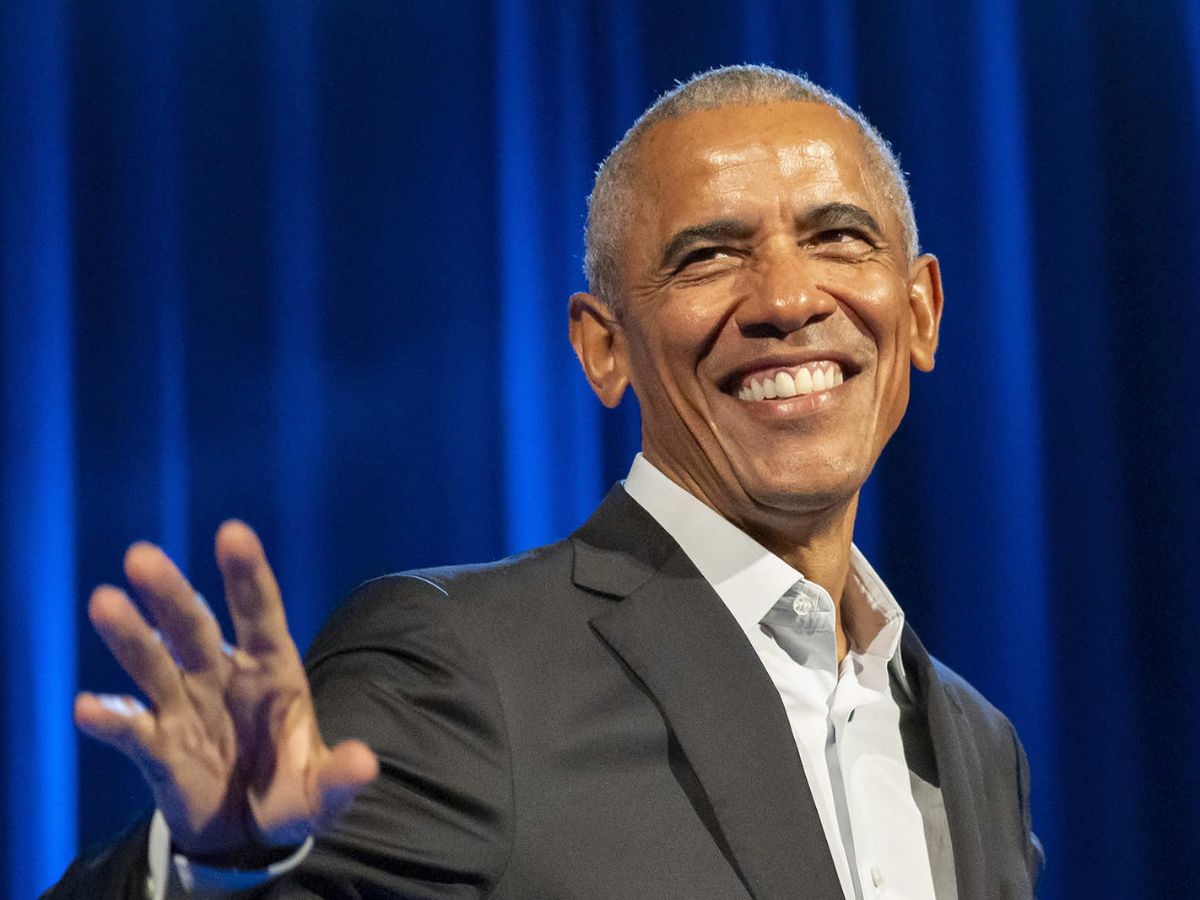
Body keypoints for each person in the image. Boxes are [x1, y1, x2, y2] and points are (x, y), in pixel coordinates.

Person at [47, 64, 1042, 899]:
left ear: (920, 312)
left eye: (837, 239)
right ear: (604, 349)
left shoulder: (975, 742)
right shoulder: (462, 670)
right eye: (708, 257)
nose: (786, 298)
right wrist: (217, 867)